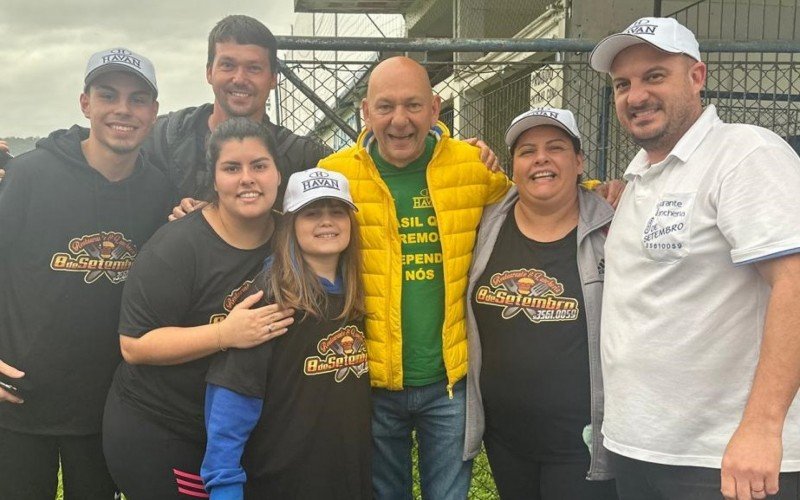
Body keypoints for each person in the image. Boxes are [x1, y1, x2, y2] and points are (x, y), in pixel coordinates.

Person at [589, 17, 800, 500]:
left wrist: (762, 429)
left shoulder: (745, 155)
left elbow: (795, 282)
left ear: (697, 76)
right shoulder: (641, 176)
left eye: (654, 76)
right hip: (640, 448)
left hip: (723, 460)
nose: (636, 95)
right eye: (623, 84)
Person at [319, 55, 512, 500]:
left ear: (435, 108)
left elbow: (538, 198)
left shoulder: (473, 168)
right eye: (385, 107)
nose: (399, 120)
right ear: (365, 112)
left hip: (449, 382)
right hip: (371, 379)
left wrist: (609, 192)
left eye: (413, 105)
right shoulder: (334, 175)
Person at [0, 47, 173, 499]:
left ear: (153, 112)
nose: (123, 109)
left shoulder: (159, 191)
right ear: (85, 103)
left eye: (138, 99)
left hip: (107, 406)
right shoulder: (31, 175)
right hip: (17, 399)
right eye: (108, 94)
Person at [102, 118, 294, 499]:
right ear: (214, 177)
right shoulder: (178, 246)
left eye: (259, 165)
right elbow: (135, 345)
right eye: (231, 168)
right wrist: (225, 334)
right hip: (164, 427)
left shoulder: (292, 239)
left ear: (277, 172)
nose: (247, 179)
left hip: (238, 431)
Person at [464, 108, 617, 499]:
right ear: (512, 166)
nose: (541, 159)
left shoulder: (612, 228)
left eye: (556, 147)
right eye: (527, 150)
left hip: (580, 443)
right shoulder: (484, 224)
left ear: (579, 161)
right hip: (506, 440)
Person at [201, 167, 371, 499]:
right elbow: (233, 396)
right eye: (311, 213)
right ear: (290, 225)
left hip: (347, 476)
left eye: (337, 211)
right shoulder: (272, 297)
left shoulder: (358, 294)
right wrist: (224, 484)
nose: (326, 221)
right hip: (281, 479)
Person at [142, 14, 332, 217]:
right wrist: (181, 230)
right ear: (209, 72)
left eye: (253, 68)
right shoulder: (160, 138)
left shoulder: (306, 159)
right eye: (228, 65)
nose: (240, 79)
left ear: (273, 78)